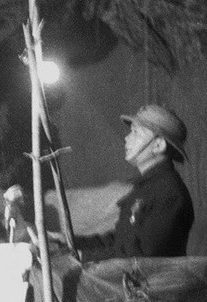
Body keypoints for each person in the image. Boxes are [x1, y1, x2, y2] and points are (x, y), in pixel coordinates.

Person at [74, 104, 194, 261]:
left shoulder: (169, 193)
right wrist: (70, 242)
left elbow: (142, 258)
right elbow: (119, 242)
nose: (127, 138)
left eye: (136, 132)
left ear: (158, 145)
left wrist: (84, 256)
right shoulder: (144, 188)